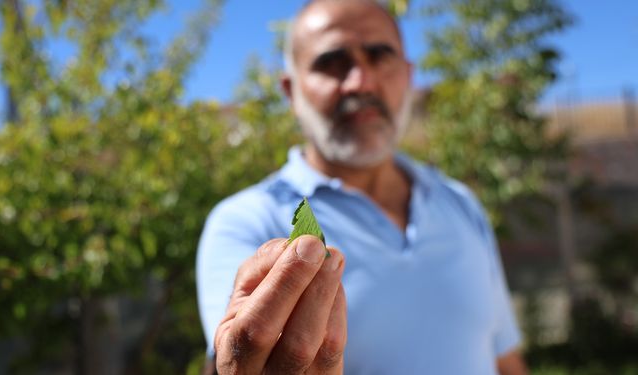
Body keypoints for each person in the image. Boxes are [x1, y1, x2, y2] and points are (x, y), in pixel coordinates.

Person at [196, 0, 528, 373]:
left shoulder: (461, 203)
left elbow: (504, 358)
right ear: (291, 92)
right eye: (331, 63)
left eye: (379, 56)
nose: (361, 82)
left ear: (407, 75)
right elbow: (236, 356)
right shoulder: (247, 222)